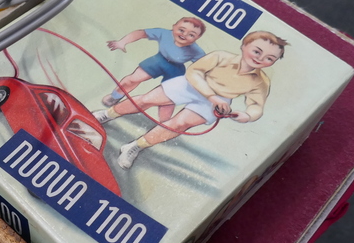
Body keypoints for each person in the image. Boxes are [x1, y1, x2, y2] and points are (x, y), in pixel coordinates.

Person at [94, 31, 288, 169]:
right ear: (244, 46)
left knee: (179, 124)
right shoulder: (220, 57)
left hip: (217, 102)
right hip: (193, 84)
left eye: (269, 58)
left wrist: (246, 115)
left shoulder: (261, 81)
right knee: (147, 99)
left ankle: (135, 146)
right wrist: (211, 95)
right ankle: (107, 114)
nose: (261, 58)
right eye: (257, 51)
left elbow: (256, 105)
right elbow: (194, 72)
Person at [101, 18, 206, 126]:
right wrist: (122, 42)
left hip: (176, 70)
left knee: (168, 96)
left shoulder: (196, 50)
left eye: (191, 35)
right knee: (132, 79)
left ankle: (164, 122)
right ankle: (115, 96)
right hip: (158, 61)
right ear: (174, 27)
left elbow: (206, 66)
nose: (184, 35)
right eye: (181, 30)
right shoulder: (164, 33)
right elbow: (141, 33)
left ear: (197, 38)